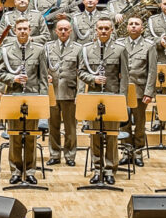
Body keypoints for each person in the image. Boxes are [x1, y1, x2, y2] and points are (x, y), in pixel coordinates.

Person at [78, 17, 130, 184]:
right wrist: (93, 79)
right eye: (100, 28)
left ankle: (109, 170)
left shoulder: (120, 49)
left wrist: (122, 100)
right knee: (95, 135)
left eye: (107, 28)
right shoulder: (86, 49)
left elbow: (125, 77)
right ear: (96, 30)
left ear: (112, 30)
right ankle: (97, 167)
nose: (103, 31)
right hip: (93, 98)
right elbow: (80, 72)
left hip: (113, 98)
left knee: (111, 136)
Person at [0, 19, 48, 185]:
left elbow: (43, 77)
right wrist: (14, 78)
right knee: (15, 137)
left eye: (25, 28)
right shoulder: (6, 50)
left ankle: (31, 171)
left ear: (30, 30)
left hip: (32, 97)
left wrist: (43, 100)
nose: (23, 31)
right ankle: (16, 171)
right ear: (15, 31)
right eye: (20, 29)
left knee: (31, 136)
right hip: (14, 96)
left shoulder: (39, 50)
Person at [119, 16, 157, 167]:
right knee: (124, 123)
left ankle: (138, 152)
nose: (133, 26)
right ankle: (126, 151)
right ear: (127, 27)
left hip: (140, 90)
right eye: (131, 24)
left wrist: (149, 92)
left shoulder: (149, 45)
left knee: (140, 123)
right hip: (123, 90)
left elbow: (152, 71)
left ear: (142, 28)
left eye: (137, 24)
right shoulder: (120, 44)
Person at [45, 18, 79, 167]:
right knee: (53, 126)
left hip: (70, 92)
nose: (63, 32)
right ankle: (54, 154)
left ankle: (70, 155)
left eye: (66, 29)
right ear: (55, 31)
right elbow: (42, 67)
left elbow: (81, 73)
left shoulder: (78, 48)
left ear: (70, 31)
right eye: (61, 29)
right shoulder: (48, 47)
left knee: (71, 127)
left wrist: (80, 94)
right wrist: (45, 74)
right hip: (52, 92)